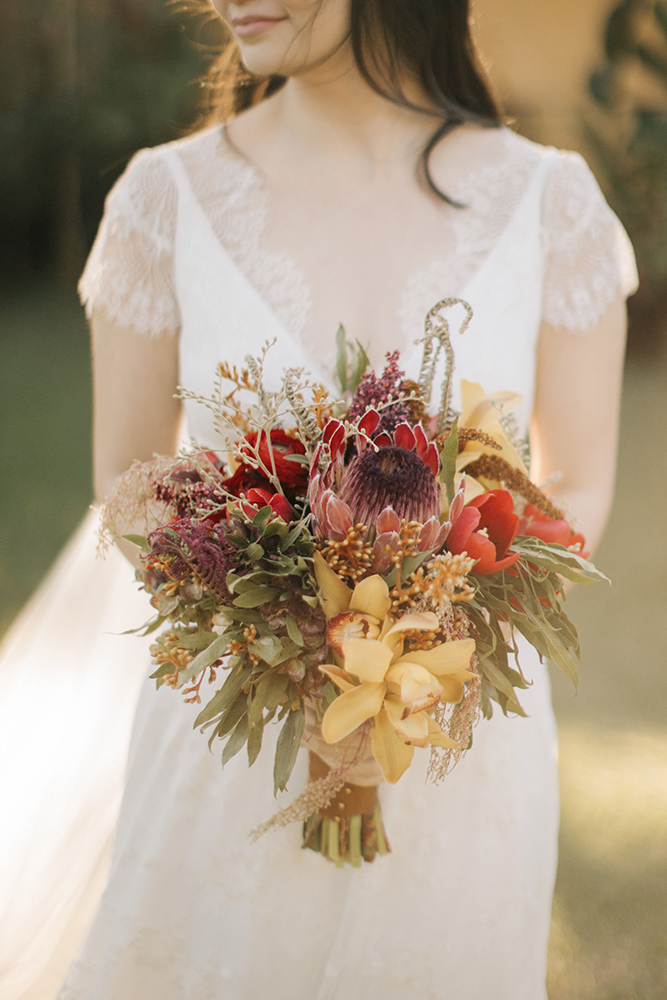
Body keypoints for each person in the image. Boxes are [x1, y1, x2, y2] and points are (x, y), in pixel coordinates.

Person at [0, 1, 637, 997]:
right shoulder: (163, 199)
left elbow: (577, 481)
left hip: (455, 748)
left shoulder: (549, 204)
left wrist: (424, 618)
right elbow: (125, 483)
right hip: (234, 737)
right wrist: (298, 629)